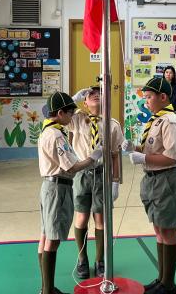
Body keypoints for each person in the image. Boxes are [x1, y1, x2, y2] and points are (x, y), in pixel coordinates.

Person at [123, 77, 176, 294]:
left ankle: (169, 285)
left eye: (149, 97)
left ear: (163, 97)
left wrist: (144, 158)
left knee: (167, 230)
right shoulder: (156, 120)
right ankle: (161, 279)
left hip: (167, 179)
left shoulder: (169, 121)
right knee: (159, 229)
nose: (146, 101)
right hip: (153, 179)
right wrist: (134, 149)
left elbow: (172, 157)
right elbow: (153, 149)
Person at [37, 91, 104, 294]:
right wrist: (93, 157)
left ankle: (46, 287)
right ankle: (48, 290)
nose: (72, 116)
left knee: (45, 236)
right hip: (58, 189)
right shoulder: (56, 135)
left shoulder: (47, 128)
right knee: (52, 240)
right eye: (69, 113)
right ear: (60, 113)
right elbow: (72, 167)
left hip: (49, 187)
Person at [67, 86, 123, 279]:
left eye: (100, 94)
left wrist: (115, 182)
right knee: (81, 216)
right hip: (82, 173)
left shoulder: (112, 124)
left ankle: (100, 260)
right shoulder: (76, 120)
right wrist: (74, 98)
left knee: (100, 218)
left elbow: (115, 155)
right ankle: (82, 258)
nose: (96, 96)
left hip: (101, 174)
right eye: (91, 95)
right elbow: (59, 111)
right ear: (84, 102)